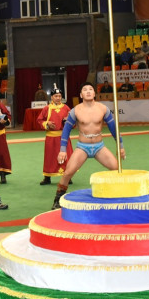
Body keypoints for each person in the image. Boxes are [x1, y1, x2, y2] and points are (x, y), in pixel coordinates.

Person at [52, 82, 126, 210]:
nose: (88, 91)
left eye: (90, 89)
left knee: (117, 168)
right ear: (81, 95)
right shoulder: (75, 111)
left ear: (94, 93)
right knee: (68, 173)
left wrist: (120, 146)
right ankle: (57, 199)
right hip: (82, 147)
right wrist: (62, 150)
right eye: (85, 89)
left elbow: (114, 129)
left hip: (99, 147)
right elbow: (66, 130)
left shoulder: (103, 109)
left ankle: (119, 194)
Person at [36, 86, 72, 186]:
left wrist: (68, 121)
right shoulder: (47, 108)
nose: (58, 98)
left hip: (63, 137)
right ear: (52, 97)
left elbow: (73, 121)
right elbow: (39, 120)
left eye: (60, 96)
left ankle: (67, 176)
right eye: (56, 96)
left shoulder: (66, 108)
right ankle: (47, 177)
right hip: (51, 137)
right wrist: (47, 124)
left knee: (66, 156)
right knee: (50, 157)